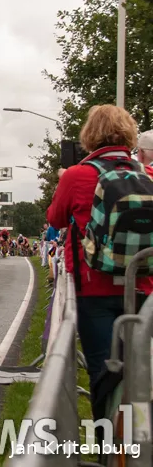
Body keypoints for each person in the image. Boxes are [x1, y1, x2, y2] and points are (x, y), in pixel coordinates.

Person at [47, 104, 153, 424]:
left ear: (90, 135)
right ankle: (140, 437)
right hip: (142, 285)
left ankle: (107, 441)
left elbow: (55, 219)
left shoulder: (77, 175)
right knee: (141, 370)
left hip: (93, 287)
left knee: (102, 369)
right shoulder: (147, 175)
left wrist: (64, 181)